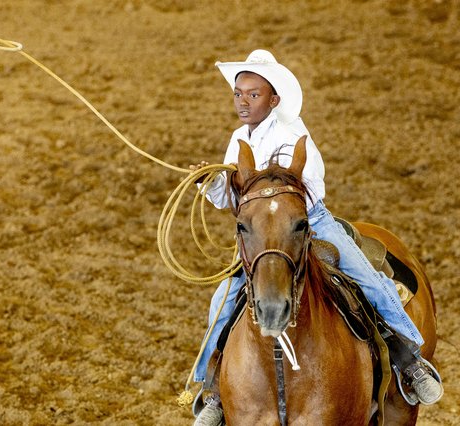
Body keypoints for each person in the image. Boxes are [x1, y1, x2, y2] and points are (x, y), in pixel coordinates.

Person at [190, 50, 443, 425]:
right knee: (221, 304)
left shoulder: (295, 133)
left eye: (253, 94)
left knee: (368, 278)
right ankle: (211, 386)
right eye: (238, 94)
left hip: (307, 221)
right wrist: (212, 182)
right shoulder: (237, 139)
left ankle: (409, 359)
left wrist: (275, 189)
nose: (243, 101)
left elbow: (312, 186)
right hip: (260, 233)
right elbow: (231, 197)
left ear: (273, 99)